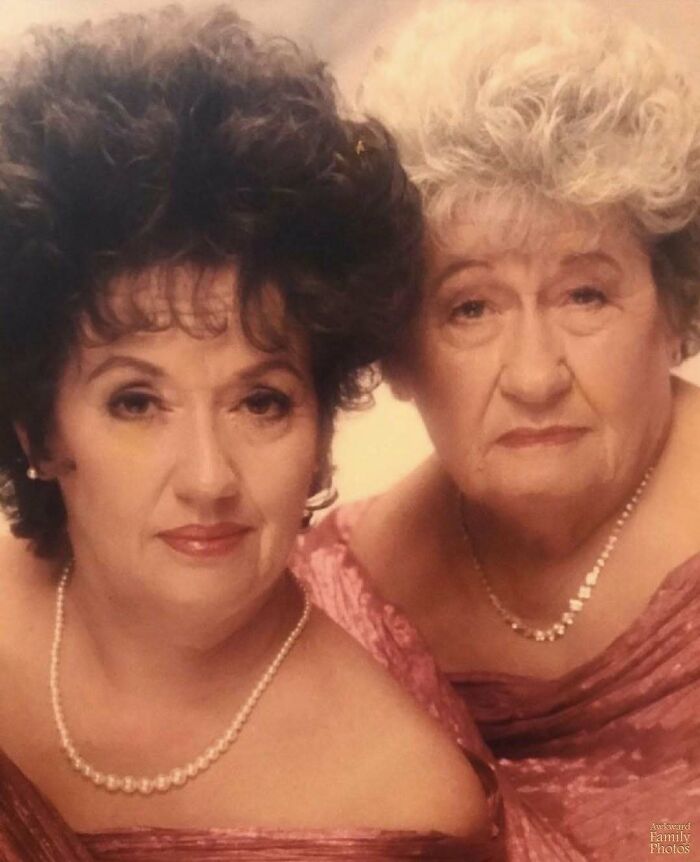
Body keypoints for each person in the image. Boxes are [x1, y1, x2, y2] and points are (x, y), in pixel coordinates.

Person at [0, 6, 503, 860]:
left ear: (320, 428)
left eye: (261, 402)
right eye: (136, 402)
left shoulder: (400, 806)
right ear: (40, 432)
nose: (209, 478)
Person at [297, 1, 700, 859]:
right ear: (397, 351)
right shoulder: (334, 596)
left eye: (584, 294)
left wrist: (665, 842)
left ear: (674, 311)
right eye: (471, 308)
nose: (534, 375)